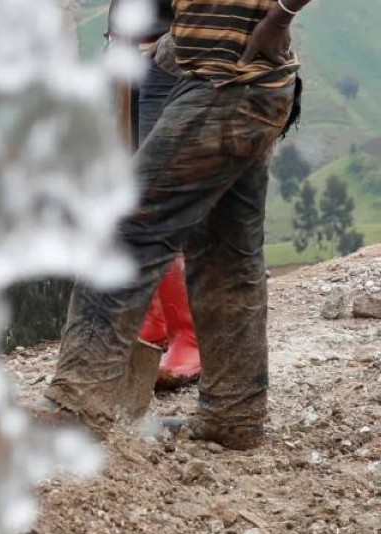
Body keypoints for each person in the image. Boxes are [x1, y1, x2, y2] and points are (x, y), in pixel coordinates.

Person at [44, 0, 310, 450]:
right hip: (242, 83)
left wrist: (280, 15)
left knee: (124, 235)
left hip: (226, 85)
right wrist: (175, 42)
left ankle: (74, 411)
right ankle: (232, 415)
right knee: (226, 251)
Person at [109, 0, 202, 389]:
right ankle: (154, 321)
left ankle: (189, 335)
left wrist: (167, 42)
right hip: (130, 50)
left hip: (171, 54)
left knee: (156, 197)